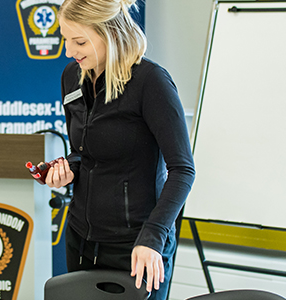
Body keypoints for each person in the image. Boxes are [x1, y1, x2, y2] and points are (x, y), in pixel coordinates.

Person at [42, 1, 195, 299]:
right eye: (65, 39)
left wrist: (153, 237)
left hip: (137, 246)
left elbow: (183, 170)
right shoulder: (71, 77)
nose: (69, 51)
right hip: (81, 240)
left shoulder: (151, 82)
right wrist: (67, 171)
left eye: (80, 41)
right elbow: (83, 153)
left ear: (110, 33)